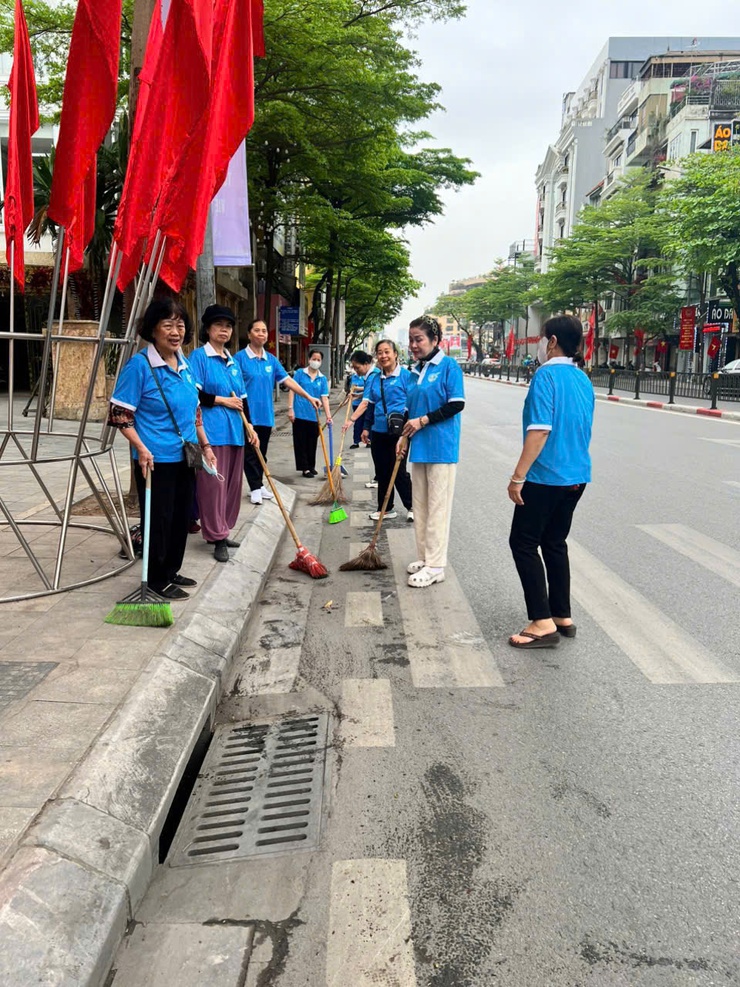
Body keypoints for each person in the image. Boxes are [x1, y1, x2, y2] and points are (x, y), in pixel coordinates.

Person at [108, 298, 217, 600]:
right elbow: (120, 414)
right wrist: (141, 448)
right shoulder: (140, 366)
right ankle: (156, 579)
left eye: (180, 324)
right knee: (159, 520)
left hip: (186, 455)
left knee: (182, 516)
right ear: (152, 329)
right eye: (167, 324)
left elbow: (194, 410)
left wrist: (205, 445)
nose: (175, 330)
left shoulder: (185, 364)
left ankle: (171, 569)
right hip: (154, 460)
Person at [507, 315, 595, 649]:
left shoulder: (546, 375)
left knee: (524, 543)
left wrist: (518, 476)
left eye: (544, 339)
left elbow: (540, 430)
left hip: (547, 477)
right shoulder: (583, 379)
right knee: (555, 542)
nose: (542, 345)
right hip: (577, 476)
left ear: (552, 341)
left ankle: (542, 622)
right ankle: (562, 615)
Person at [400, 316, 465, 588]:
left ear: (435, 340)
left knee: (438, 509)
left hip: (441, 448)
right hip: (419, 448)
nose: (414, 345)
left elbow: (456, 404)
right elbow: (410, 408)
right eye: (411, 339)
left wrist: (423, 421)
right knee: (422, 506)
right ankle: (426, 558)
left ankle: (437, 565)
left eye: (419, 339)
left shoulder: (449, 366)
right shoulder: (415, 370)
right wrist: (403, 437)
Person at [189, 305, 258, 563]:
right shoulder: (198, 358)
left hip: (235, 434)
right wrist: (221, 401)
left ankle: (223, 530)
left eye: (228, 326)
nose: (224, 329)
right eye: (218, 325)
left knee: (231, 486)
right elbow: (193, 394)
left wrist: (250, 428)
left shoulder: (233, 362)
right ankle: (216, 535)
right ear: (208, 328)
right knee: (212, 487)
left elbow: (242, 399)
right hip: (211, 433)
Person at [234, 319, 322, 503]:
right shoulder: (239, 359)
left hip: (265, 415)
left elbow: (288, 381)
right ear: (249, 334)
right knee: (251, 452)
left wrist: (308, 396)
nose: (261, 334)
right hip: (247, 415)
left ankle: (257, 485)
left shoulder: (271, 360)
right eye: (256, 330)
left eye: (264, 331)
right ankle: (256, 487)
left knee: (261, 451)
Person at [344, 339, 413, 522]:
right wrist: (366, 428)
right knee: (382, 471)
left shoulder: (407, 377)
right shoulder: (374, 378)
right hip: (378, 431)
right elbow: (370, 405)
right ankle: (386, 508)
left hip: (400, 432)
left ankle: (411, 505)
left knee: (398, 471)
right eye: (380, 353)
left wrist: (406, 433)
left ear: (395, 353)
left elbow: (412, 405)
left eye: (386, 352)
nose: (383, 356)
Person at [287, 349, 332, 477]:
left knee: (312, 442)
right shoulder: (300, 373)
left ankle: (311, 466)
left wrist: (328, 416)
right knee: (301, 442)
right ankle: (304, 468)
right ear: (309, 359)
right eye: (314, 359)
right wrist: (290, 408)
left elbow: (324, 398)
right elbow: (292, 390)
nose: (316, 362)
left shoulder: (322, 379)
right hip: (300, 413)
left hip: (314, 415)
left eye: (318, 360)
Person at [347, 351, 374, 448]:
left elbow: (366, 402)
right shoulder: (369, 377)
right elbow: (371, 394)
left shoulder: (373, 376)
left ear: (366, 364)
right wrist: (358, 396)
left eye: (357, 367)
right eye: (354, 368)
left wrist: (351, 420)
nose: (356, 371)